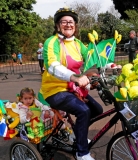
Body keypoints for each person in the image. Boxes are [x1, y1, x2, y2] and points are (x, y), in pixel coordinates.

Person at [39, 7, 103, 160]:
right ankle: (82, 153)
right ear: (57, 25)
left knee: (97, 110)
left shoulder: (77, 43)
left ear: (75, 25)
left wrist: (110, 67)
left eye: (71, 22)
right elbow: (53, 66)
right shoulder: (51, 42)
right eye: (64, 22)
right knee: (83, 111)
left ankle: (77, 136)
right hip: (54, 90)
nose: (68, 24)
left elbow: (92, 59)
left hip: (73, 89)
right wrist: (75, 78)